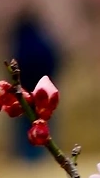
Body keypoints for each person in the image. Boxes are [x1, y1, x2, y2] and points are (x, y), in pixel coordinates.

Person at [8, 11, 63, 160]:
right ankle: (44, 153)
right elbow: (54, 59)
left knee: (24, 124)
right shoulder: (44, 40)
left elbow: (15, 66)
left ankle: (27, 154)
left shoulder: (19, 43)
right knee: (45, 122)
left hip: (24, 91)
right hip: (45, 90)